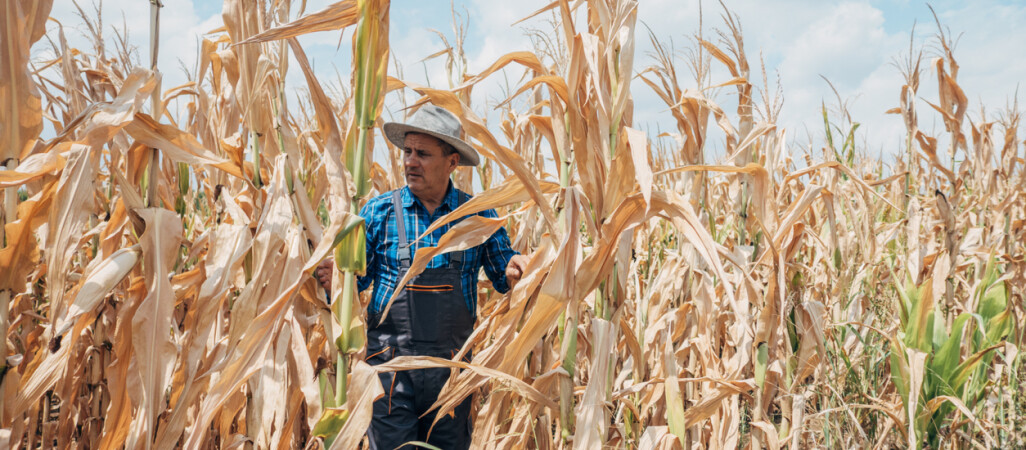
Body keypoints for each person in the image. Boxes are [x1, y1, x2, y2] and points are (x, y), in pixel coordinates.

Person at [315, 104, 529, 450]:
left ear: (452, 162)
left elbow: (503, 270)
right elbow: (356, 283)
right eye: (407, 152)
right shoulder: (379, 212)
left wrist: (517, 265)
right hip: (389, 372)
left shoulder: (475, 215)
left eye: (423, 154)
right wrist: (334, 281)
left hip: (451, 374)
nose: (410, 162)